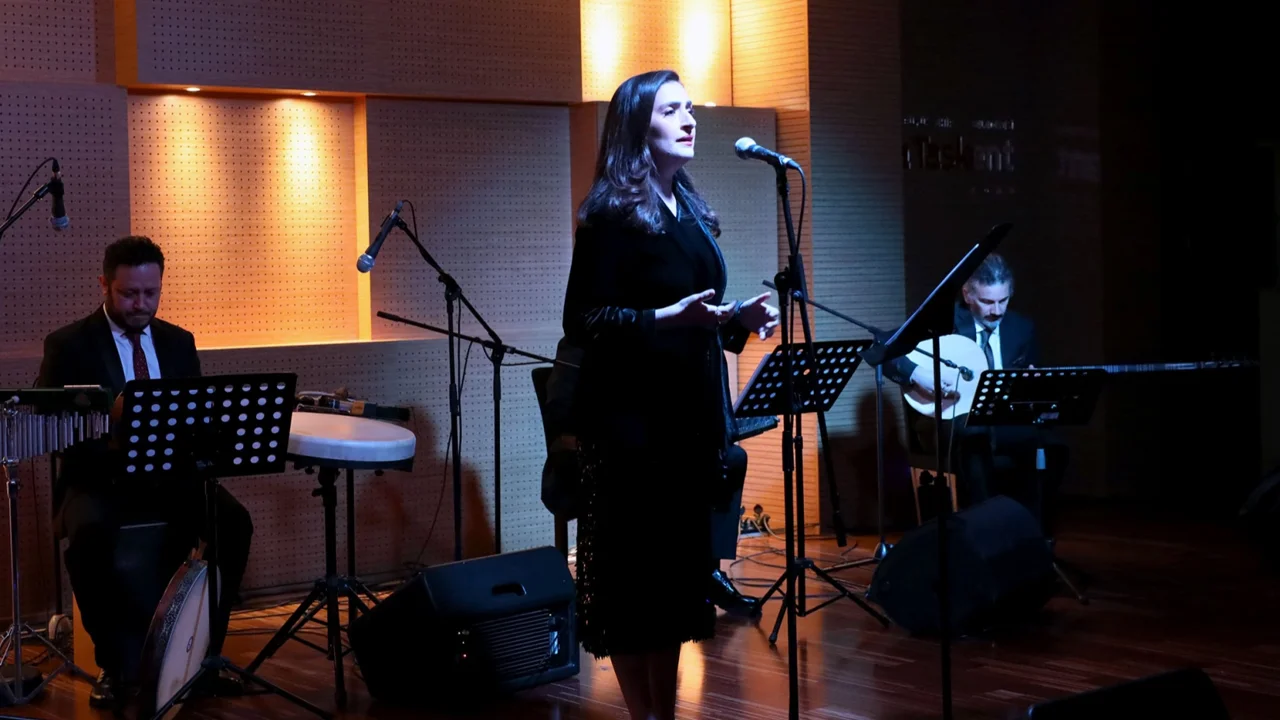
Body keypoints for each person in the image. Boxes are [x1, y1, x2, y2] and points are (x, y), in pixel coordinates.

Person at [562, 70, 778, 720]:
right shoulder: (610, 216)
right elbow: (583, 320)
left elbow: (695, 316)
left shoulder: (689, 207)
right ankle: (645, 715)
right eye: (672, 110)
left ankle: (664, 713)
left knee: (673, 589)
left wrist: (736, 321)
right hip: (630, 429)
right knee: (635, 591)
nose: (689, 120)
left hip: (687, 424)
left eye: (690, 109)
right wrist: (663, 318)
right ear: (637, 127)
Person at [36, 236, 253, 707]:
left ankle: (204, 658)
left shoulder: (178, 341)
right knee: (89, 534)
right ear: (105, 285)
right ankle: (114, 667)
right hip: (99, 478)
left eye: (150, 293)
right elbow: (50, 423)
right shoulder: (68, 345)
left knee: (234, 523)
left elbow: (197, 418)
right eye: (129, 294)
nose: (141, 304)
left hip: (171, 477)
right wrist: (109, 422)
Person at [884, 253, 1066, 529]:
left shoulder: (1021, 328)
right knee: (975, 434)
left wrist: (1031, 383)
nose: (997, 310)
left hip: (1004, 418)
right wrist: (918, 374)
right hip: (952, 417)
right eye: (987, 302)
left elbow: (1031, 382)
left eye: (1003, 300)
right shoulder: (944, 323)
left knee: (1055, 445)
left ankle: (1032, 531)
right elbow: (887, 348)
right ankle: (984, 528)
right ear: (967, 295)